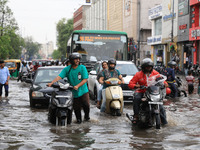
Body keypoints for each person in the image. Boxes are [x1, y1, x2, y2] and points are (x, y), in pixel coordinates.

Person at [48, 53, 90, 124]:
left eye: (78, 59)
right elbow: (59, 77)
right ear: (71, 60)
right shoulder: (67, 69)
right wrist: (51, 83)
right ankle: (79, 120)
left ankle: (87, 117)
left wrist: (77, 86)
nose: (78, 60)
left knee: (86, 104)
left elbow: (85, 79)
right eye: (76, 59)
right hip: (73, 92)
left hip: (83, 91)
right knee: (76, 108)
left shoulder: (82, 68)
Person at [128, 58, 168, 124]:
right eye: (147, 67)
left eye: (150, 67)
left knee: (160, 105)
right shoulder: (138, 74)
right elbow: (130, 84)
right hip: (142, 91)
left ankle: (164, 121)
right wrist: (138, 86)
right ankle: (136, 115)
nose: (148, 69)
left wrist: (164, 84)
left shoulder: (156, 73)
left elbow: (162, 81)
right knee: (136, 98)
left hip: (152, 92)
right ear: (143, 67)